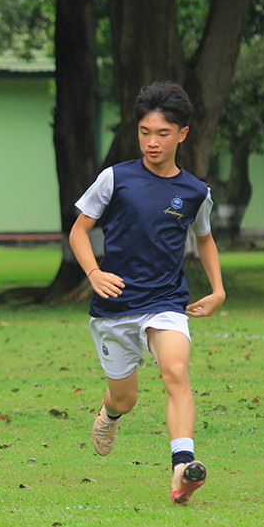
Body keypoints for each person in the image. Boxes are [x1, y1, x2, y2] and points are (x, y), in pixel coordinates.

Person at [69, 81, 225, 505]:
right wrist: (94, 272)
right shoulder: (115, 178)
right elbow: (79, 231)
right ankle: (110, 413)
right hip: (114, 307)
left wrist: (218, 289)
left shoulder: (194, 192)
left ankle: (182, 466)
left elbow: (205, 238)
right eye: (144, 132)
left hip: (166, 301)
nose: (152, 142)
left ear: (182, 134)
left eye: (162, 133)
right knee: (127, 396)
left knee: (176, 371)